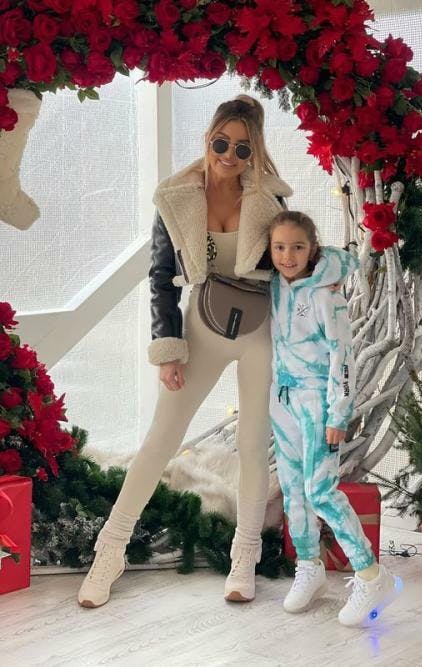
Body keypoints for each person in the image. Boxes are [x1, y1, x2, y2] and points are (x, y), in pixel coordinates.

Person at [78, 95, 293, 608]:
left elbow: (291, 267)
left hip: (260, 330)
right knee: (161, 439)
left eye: (242, 148)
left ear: (255, 150)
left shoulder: (271, 199)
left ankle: (245, 554)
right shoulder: (174, 198)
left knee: (252, 443)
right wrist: (169, 348)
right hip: (201, 323)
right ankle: (111, 549)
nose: (229, 155)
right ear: (208, 138)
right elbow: (161, 278)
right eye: (221, 143)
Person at [268, 211, 402, 627]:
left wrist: (338, 412)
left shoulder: (328, 296)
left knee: (320, 490)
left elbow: (343, 359)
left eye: (297, 247)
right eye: (279, 247)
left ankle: (371, 573)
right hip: (282, 400)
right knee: (293, 489)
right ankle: (309, 566)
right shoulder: (274, 286)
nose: (287, 256)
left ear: (312, 249)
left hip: (318, 403)